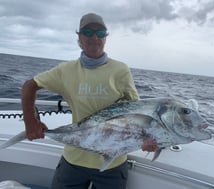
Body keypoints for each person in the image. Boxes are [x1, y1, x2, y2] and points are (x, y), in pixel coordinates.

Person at [21, 13, 157, 189]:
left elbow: (137, 114)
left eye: (100, 33)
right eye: (88, 32)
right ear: (79, 37)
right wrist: (30, 121)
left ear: (106, 37)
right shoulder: (65, 70)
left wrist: (146, 139)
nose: (94, 37)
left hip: (113, 163)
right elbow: (29, 86)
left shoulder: (120, 70)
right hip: (74, 160)